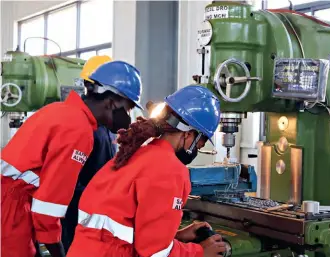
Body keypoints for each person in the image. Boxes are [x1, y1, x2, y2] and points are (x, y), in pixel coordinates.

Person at [1, 59, 143, 257]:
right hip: (10, 207)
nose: (128, 116)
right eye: (127, 109)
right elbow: (47, 208)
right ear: (111, 103)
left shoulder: (61, 111)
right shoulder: (78, 130)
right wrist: (58, 253)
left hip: (13, 201)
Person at [66, 85, 226, 257]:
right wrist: (200, 252)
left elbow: (117, 227)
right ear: (189, 135)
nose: (197, 150)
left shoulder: (134, 154)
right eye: (200, 145)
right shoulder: (170, 169)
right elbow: (154, 253)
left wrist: (175, 236)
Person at [60, 56, 120, 253]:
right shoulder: (78, 125)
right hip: (77, 211)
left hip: (102, 209)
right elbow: (67, 180)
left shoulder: (108, 125)